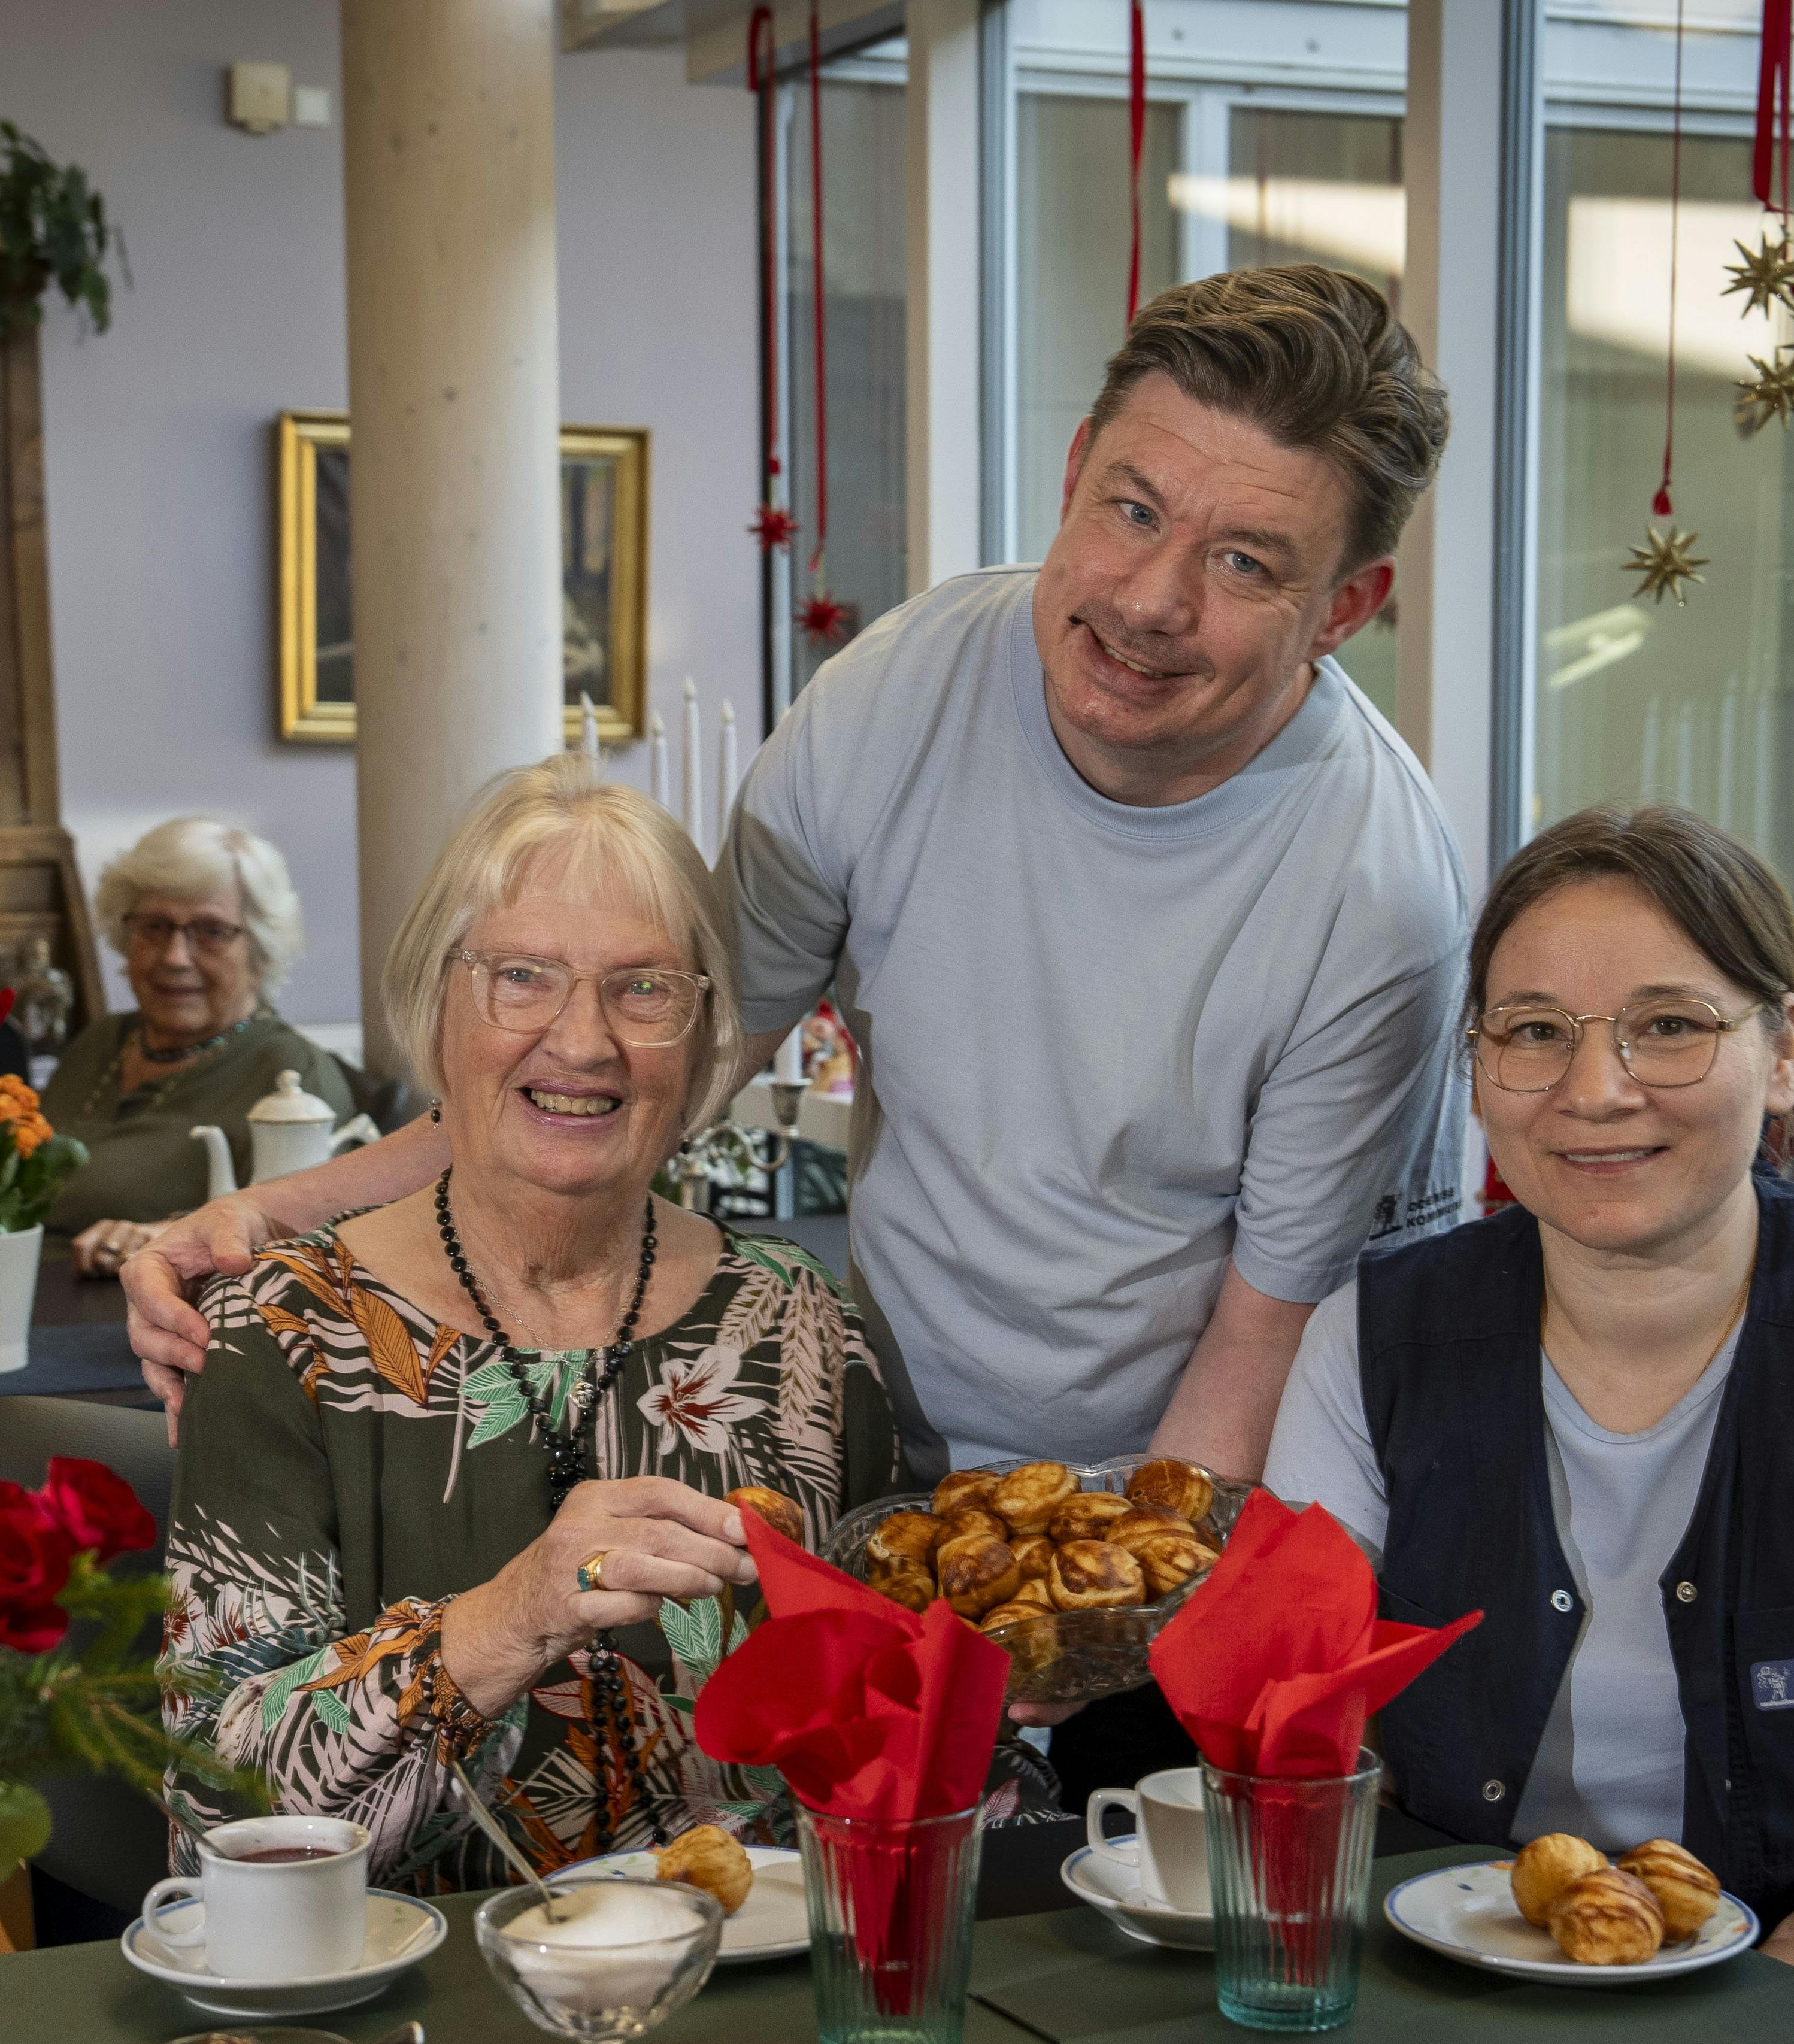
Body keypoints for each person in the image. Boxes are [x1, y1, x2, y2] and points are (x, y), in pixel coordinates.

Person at [127, 263, 1467, 1791]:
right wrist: (265, 1216)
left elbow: (1258, 1334)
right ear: (1073, 467)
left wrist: (1070, 1627)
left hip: (1174, 1531)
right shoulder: (899, 692)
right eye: (1131, 507)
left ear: (1343, 607)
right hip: (875, 1457)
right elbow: (644, 1063)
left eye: (1243, 561)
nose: (1149, 600)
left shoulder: (1372, 898)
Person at [162, 757, 900, 1888]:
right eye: (522, 976)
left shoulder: (797, 1322)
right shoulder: (284, 1329)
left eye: (644, 987)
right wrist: (509, 1617)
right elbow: (221, 1807)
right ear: (435, 1003)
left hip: (757, 2001)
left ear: (704, 1032)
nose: (584, 1041)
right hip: (413, 2010)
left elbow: (892, 1747)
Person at [1263, 802, 1794, 1993]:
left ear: (1779, 1049)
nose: (1593, 1090)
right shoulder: (1370, 1337)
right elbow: (1296, 1719)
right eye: (1534, 1029)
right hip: (1440, 1968)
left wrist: (1777, 2018)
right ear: (1480, 1067)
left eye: (1667, 1025)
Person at [41, 818, 355, 1276]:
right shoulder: (101, 1041)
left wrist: (170, 1232)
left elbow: (315, 1234)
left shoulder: (291, 1071)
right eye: (154, 927)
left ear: (259, 950)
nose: (174, 957)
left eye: (210, 931)